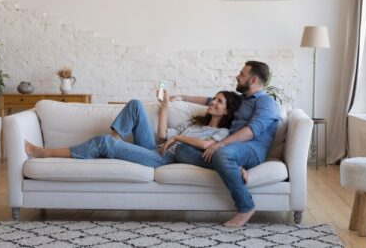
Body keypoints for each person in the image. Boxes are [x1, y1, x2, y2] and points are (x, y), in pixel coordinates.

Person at [171, 60, 280, 227]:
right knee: (182, 150)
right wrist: (182, 97)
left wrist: (220, 144)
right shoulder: (242, 99)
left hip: (252, 149)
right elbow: (210, 101)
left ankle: (246, 207)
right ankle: (233, 168)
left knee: (223, 153)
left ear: (253, 80)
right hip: (231, 150)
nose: (237, 76)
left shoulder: (266, 102)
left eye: (242, 74)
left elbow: (252, 131)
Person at [25, 90, 242, 169]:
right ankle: (114, 142)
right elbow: (161, 136)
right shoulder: (195, 122)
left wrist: (178, 138)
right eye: (214, 99)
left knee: (103, 143)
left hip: (167, 159)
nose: (213, 102)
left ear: (226, 112)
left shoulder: (222, 133)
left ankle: (45, 152)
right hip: (156, 148)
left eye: (219, 102)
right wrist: (165, 107)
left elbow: (206, 146)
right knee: (136, 104)